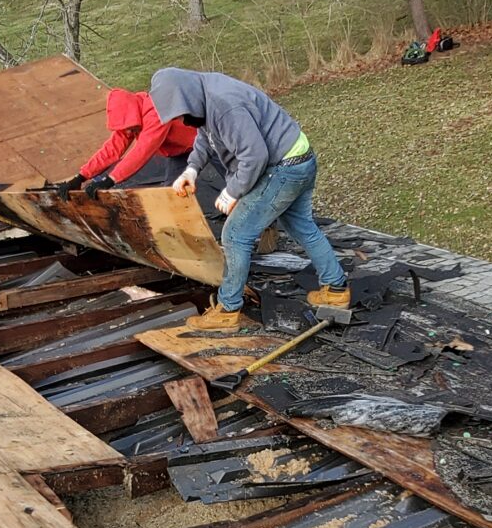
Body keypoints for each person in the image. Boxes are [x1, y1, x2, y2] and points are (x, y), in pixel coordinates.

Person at [146, 67, 347, 334]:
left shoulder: (224, 104)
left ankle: (228, 310)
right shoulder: (205, 93)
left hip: (284, 166)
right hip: (300, 157)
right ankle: (336, 289)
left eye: (183, 113)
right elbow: (206, 137)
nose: (184, 120)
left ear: (188, 96)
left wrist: (232, 192)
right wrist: (191, 170)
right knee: (302, 226)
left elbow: (254, 156)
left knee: (236, 234)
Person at [74, 86, 197, 189]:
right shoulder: (132, 120)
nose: (128, 131)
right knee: (175, 192)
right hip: (179, 153)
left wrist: (111, 179)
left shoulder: (156, 113)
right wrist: (81, 177)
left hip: (204, 141)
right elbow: (112, 149)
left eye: (129, 127)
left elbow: (142, 151)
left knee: (216, 170)